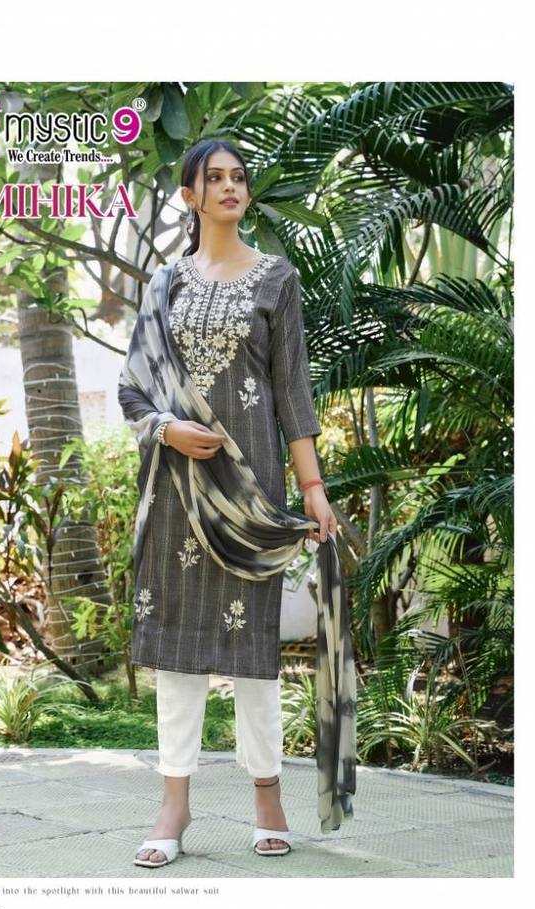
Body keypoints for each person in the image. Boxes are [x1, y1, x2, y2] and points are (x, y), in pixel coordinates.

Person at [118, 138, 337, 867]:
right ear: (189, 195)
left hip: (249, 493)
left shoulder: (277, 279)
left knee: (252, 652)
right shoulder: (164, 286)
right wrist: (167, 429)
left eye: (238, 177)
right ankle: (173, 804)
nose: (229, 188)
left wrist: (312, 489)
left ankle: (267, 797)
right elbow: (132, 388)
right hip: (177, 491)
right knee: (177, 650)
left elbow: (292, 392)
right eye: (213, 179)